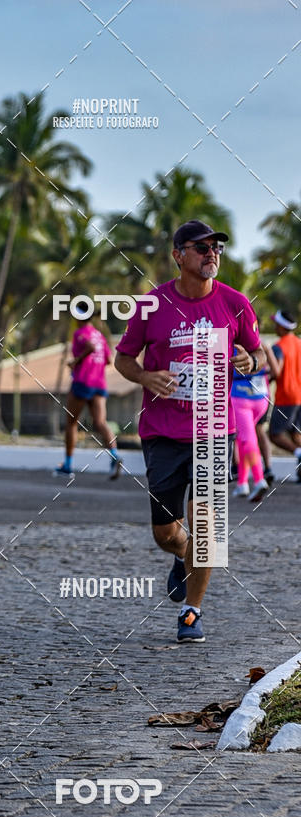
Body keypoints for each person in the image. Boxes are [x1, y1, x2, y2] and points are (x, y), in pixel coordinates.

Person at [114, 220, 265, 643]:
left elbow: (258, 351)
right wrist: (146, 378)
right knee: (166, 532)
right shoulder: (152, 304)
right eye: (201, 248)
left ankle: (191, 612)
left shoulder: (234, 303)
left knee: (208, 525)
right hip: (162, 431)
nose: (211, 254)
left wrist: (249, 362)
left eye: (215, 247)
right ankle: (183, 555)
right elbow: (123, 359)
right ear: (178, 255)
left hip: (215, 428)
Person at [56, 303, 123, 478]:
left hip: (82, 382)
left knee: (71, 423)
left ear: (78, 317)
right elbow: (108, 359)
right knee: (100, 422)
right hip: (99, 383)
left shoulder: (80, 333)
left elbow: (90, 348)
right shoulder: (99, 335)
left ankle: (68, 465)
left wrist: (76, 361)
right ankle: (114, 455)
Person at [231, 352, 270, 501]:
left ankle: (259, 479)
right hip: (261, 398)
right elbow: (275, 370)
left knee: (248, 440)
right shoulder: (261, 345)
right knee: (244, 438)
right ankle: (242, 483)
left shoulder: (228, 344)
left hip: (239, 396)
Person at [268, 310, 301, 482]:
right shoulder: (299, 343)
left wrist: (264, 377)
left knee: (275, 434)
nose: (274, 326)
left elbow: (277, 371)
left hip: (287, 396)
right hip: (300, 395)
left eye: (276, 323)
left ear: (281, 326)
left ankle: (298, 452)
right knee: (296, 434)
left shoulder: (279, 346)